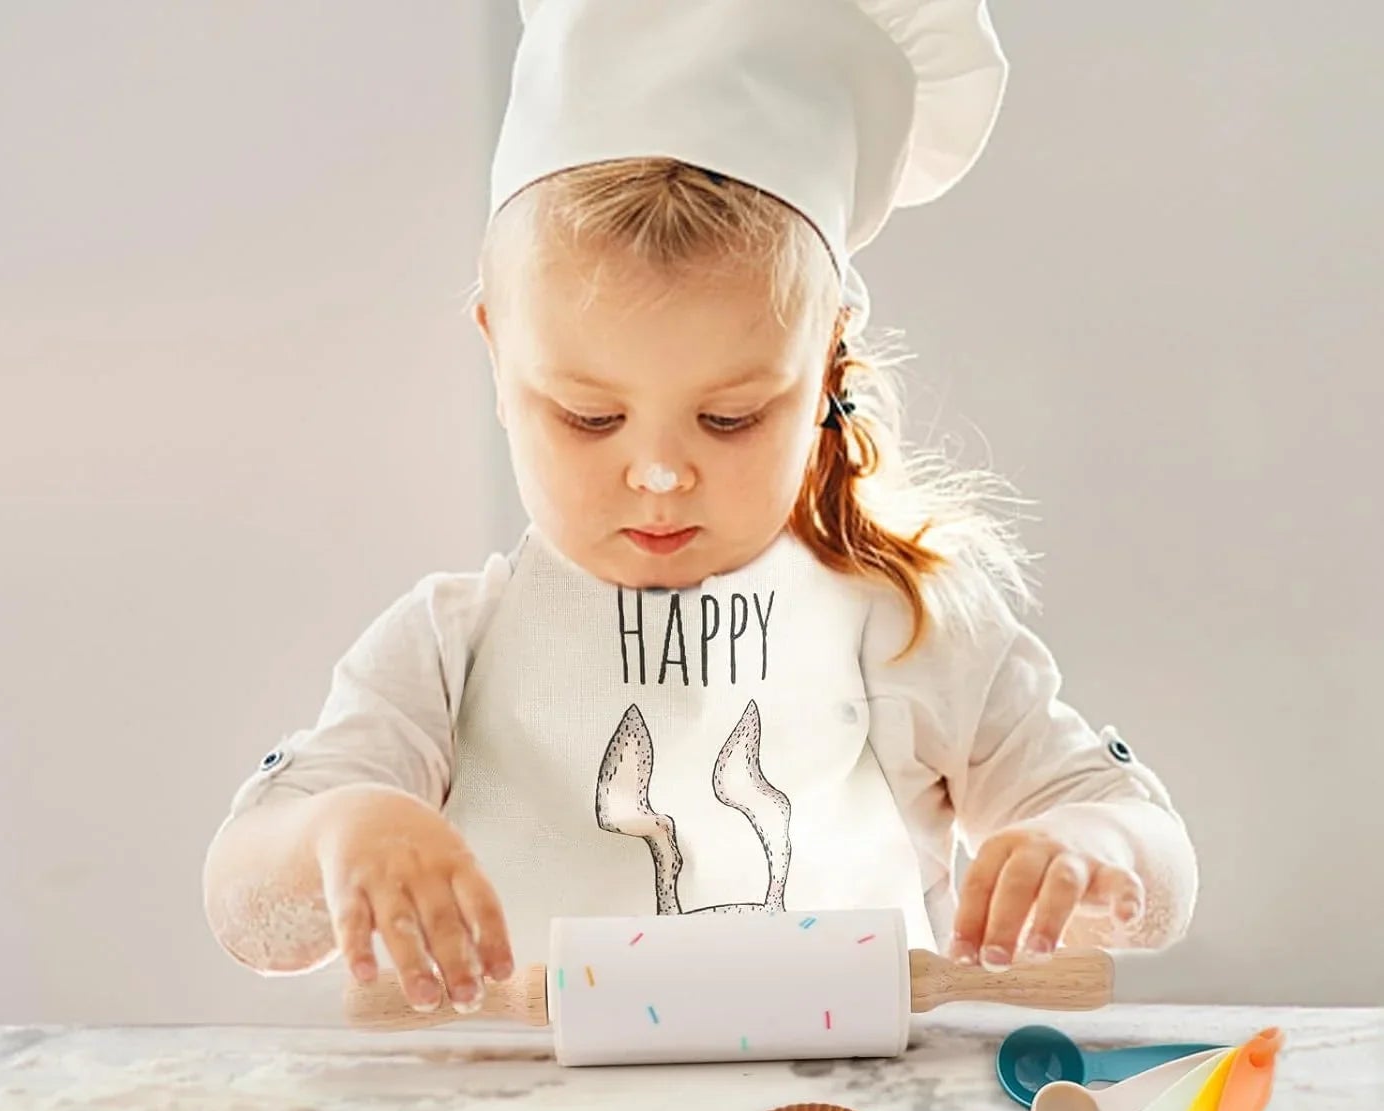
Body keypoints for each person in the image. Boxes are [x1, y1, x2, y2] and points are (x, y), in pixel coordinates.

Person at [202, 0, 1198, 1018]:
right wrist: (341, 832)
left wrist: (1093, 849)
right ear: (499, 355)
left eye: (730, 418)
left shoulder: (910, 634)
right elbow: (248, 911)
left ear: (823, 373)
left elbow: (1152, 867)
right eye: (591, 417)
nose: (661, 474)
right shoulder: (449, 650)